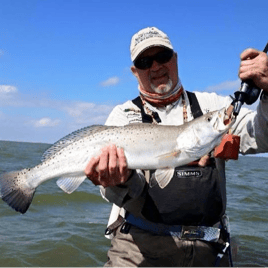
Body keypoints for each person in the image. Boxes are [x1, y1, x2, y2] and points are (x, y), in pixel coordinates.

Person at [85, 27, 268, 267]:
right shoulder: (122, 117)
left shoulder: (214, 107)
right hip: (139, 247)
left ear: (175, 58)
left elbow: (262, 135)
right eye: (144, 61)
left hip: (209, 246)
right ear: (134, 71)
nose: (155, 66)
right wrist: (121, 179)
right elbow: (117, 192)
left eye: (163, 56)